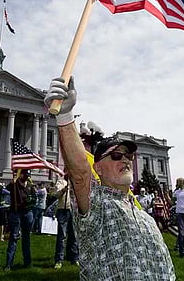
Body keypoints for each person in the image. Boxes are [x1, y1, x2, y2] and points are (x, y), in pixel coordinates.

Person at [44, 76, 175, 280]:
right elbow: (80, 174)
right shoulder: (98, 205)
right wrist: (65, 116)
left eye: (128, 156)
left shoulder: (146, 217)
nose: (125, 160)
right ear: (99, 168)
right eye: (116, 156)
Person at [4, 169, 37, 271]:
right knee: (13, 237)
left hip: (28, 213)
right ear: (20, 174)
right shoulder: (14, 184)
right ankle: (9, 264)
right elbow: (5, 191)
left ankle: (27, 262)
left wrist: (30, 201)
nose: (26, 175)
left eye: (27, 173)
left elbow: (34, 199)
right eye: (24, 173)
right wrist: (11, 183)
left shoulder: (30, 185)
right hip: (16, 213)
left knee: (26, 238)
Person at [53, 173, 79, 269]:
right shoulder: (61, 182)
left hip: (73, 210)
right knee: (62, 236)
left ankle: (74, 258)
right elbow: (55, 194)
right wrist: (64, 189)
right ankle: (59, 260)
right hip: (63, 210)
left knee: (73, 236)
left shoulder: (75, 182)